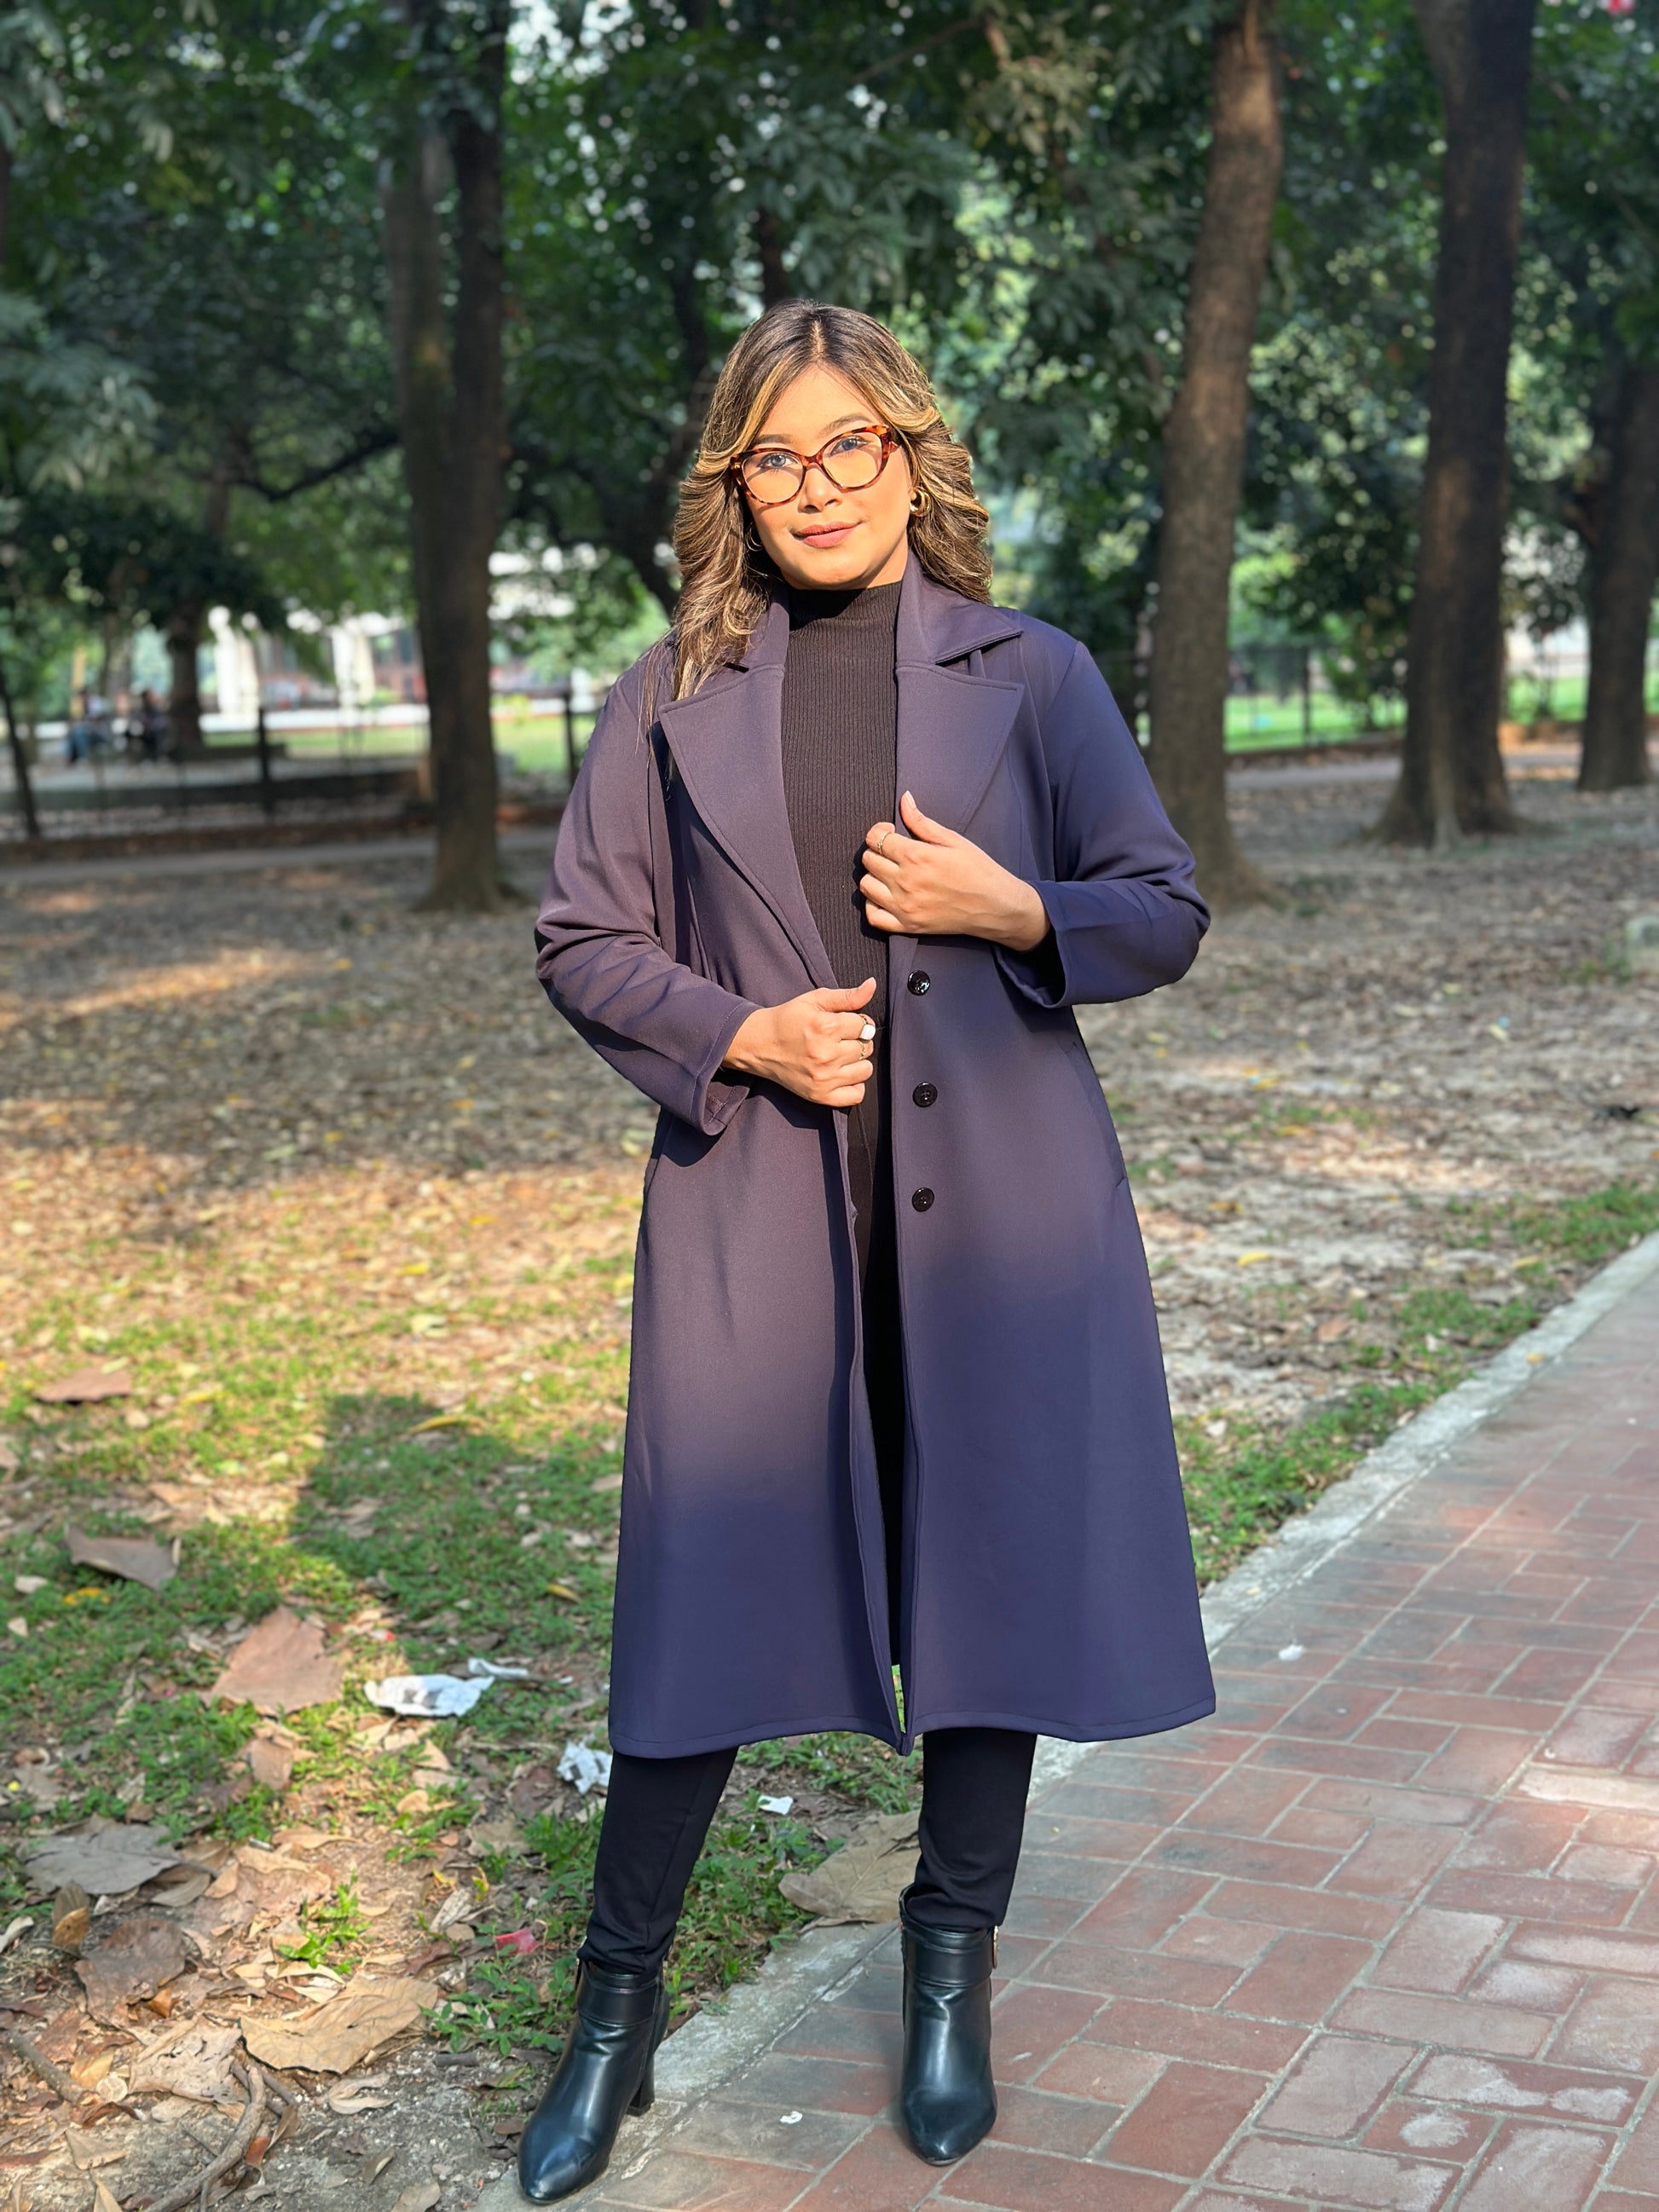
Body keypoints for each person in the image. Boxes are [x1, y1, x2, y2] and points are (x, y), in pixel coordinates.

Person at [525, 300, 1215, 2203]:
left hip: (1000, 1221)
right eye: (778, 453)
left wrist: (1012, 903)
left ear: (911, 456)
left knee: (983, 1594)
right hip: (759, 1212)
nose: (818, 484)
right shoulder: (662, 692)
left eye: (852, 446)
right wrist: (737, 1032)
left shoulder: (1036, 671)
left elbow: (1163, 907)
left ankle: (947, 1970)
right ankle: (613, 2009)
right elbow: (584, 938)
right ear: (732, 482)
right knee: (700, 1608)